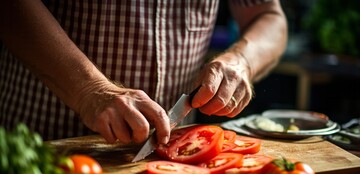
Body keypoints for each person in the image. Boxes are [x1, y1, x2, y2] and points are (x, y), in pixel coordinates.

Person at [0, 0, 287, 145]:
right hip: (42, 142)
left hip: (175, 155)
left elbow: (268, 16)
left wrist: (242, 60)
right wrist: (90, 91)